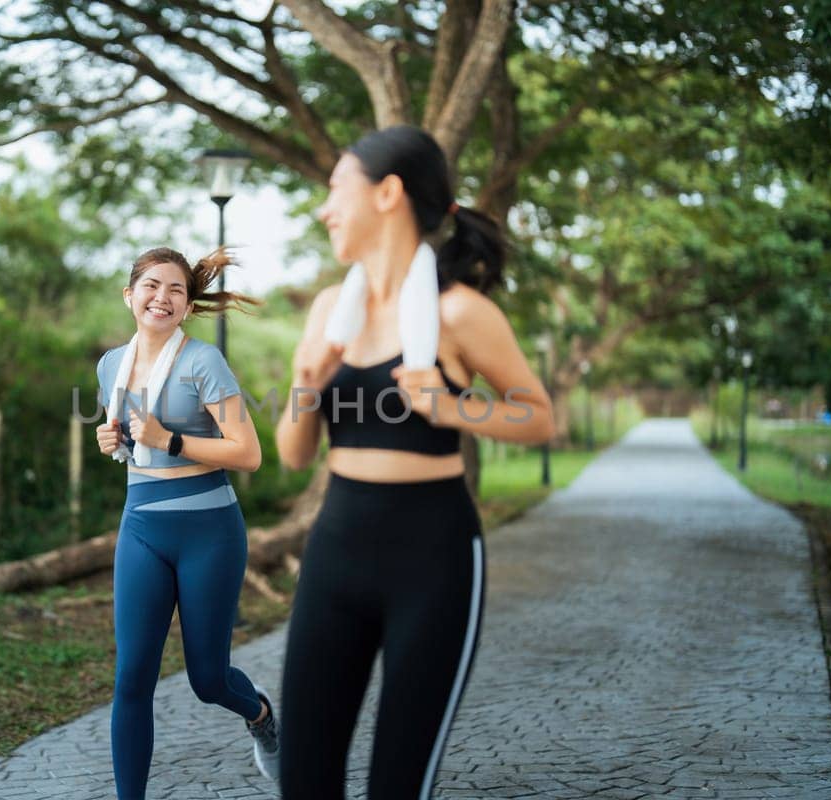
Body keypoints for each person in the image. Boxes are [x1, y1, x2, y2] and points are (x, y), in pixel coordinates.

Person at [274, 125, 556, 799]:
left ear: (388, 194)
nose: (325, 208)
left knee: (399, 786)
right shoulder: (325, 313)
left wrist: (456, 409)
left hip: (432, 555)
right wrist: (307, 382)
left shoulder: (459, 313)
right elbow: (292, 455)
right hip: (335, 550)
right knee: (304, 779)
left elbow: (540, 416)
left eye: (337, 188)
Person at [94, 247, 279, 799]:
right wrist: (115, 441)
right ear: (130, 295)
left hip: (209, 534)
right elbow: (134, 443)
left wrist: (167, 438)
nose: (162, 298)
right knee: (131, 681)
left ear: (187, 304)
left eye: (176, 290)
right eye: (151, 286)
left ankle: (262, 716)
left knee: (208, 680)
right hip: (142, 529)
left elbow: (248, 454)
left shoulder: (203, 362)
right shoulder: (110, 365)